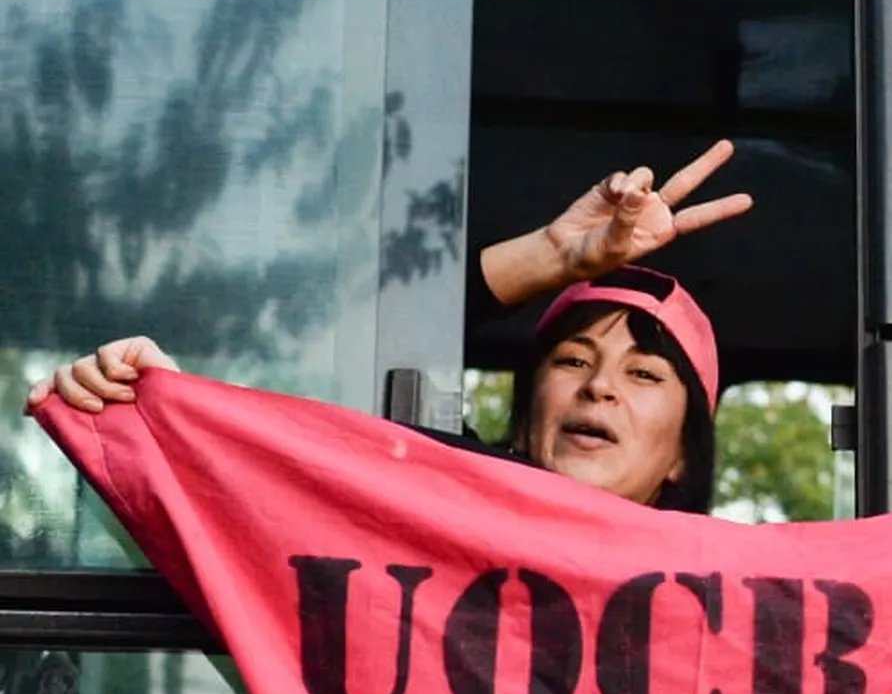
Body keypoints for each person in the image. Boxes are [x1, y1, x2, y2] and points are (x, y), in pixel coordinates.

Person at [27, 140, 752, 515]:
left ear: (686, 452)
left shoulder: (732, 599)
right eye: (571, 360)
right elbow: (297, 447)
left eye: (644, 372)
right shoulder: (426, 508)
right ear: (526, 417)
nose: (599, 388)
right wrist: (166, 409)